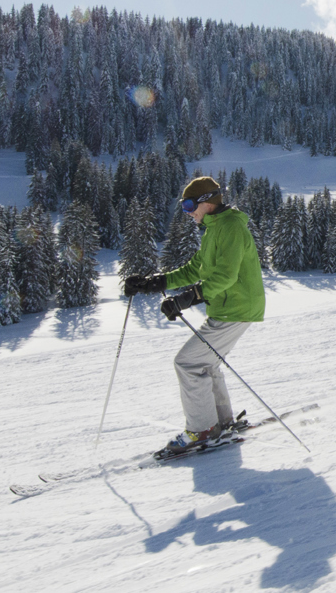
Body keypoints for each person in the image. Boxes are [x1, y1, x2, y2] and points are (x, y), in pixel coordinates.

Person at [123, 176, 268, 460]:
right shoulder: (214, 228)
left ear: (207, 201)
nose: (187, 211)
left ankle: (202, 429)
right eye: (183, 206)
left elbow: (225, 276)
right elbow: (195, 269)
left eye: (189, 204)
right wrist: (156, 282)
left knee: (188, 363)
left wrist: (189, 298)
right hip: (228, 307)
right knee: (205, 364)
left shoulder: (231, 228)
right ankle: (221, 423)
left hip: (237, 307)